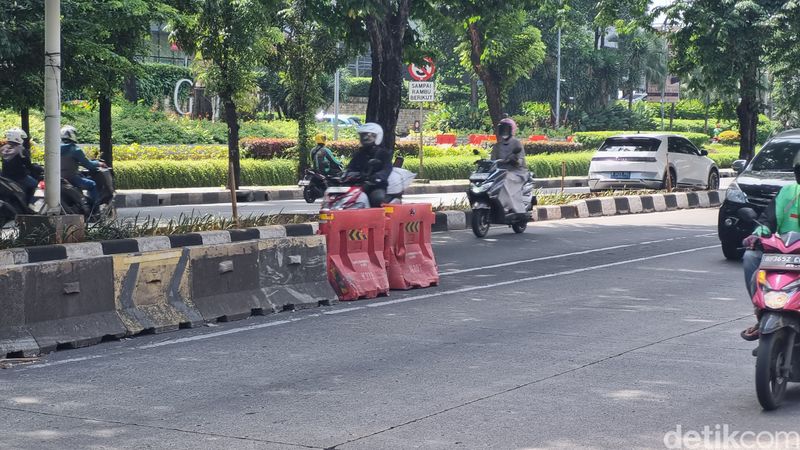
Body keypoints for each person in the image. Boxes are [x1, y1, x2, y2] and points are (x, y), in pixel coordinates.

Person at [740, 159, 800, 340]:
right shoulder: (788, 192)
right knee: (750, 257)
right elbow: (767, 221)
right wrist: (757, 235)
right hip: (786, 251)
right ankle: (763, 313)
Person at [490, 118, 529, 219]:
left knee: (505, 181)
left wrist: (514, 161)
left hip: (517, 172)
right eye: (502, 129)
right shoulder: (497, 146)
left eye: (506, 129)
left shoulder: (517, 144)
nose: (504, 132)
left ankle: (508, 208)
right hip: (500, 173)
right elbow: (492, 160)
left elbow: (520, 160)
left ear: (511, 130)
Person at [347, 122, 393, 207]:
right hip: (358, 185)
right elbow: (351, 167)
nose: (365, 138)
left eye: (368, 135)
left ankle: (378, 219)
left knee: (377, 198)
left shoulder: (383, 153)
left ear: (377, 136)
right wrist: (345, 174)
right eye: (362, 135)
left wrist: (377, 177)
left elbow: (387, 169)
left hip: (375, 186)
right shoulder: (359, 154)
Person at [60, 125, 102, 207]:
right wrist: (98, 163)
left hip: (58, 179)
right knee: (92, 184)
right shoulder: (75, 150)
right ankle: (95, 210)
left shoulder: (54, 148)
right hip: (71, 178)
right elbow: (88, 165)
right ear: (72, 135)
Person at [1, 128, 38, 203]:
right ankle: (30, 205)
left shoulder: (4, 148)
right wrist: (36, 168)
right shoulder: (21, 149)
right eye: (21, 137)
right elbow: (28, 165)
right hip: (19, 177)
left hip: (5, 176)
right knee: (35, 184)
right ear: (17, 137)